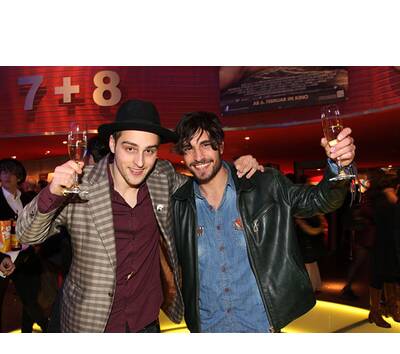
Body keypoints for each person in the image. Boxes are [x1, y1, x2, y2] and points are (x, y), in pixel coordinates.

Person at [16, 99, 261, 333]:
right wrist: (51, 193)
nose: (140, 162)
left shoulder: (161, 177)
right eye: (130, 149)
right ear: (113, 144)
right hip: (90, 324)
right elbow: (27, 235)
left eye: (149, 151)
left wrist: (237, 167)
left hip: (146, 323)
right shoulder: (81, 186)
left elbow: (206, 183)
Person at [172, 111, 356, 333]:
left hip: (259, 325)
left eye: (205, 145)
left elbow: (321, 200)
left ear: (220, 146)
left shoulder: (264, 184)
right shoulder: (179, 205)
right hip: (207, 328)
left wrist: (339, 166)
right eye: (188, 148)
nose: (198, 156)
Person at [0, 158, 48, 332]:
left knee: (30, 302)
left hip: (26, 257)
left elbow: (39, 223)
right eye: (3, 171)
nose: (6, 175)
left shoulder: (28, 198)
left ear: (19, 177)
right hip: (2, 259)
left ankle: (31, 332)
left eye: (11, 172)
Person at [367, 169, 400, 328]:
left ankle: (391, 308)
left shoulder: (385, 197)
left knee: (390, 275)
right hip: (381, 242)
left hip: (388, 242)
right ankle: (375, 312)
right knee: (379, 276)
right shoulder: (381, 198)